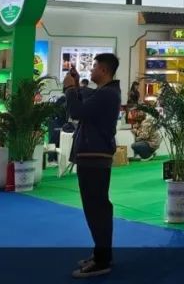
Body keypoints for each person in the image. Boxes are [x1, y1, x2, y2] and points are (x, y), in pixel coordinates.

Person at [63, 53, 122, 278]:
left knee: (96, 209)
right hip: (93, 156)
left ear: (104, 70)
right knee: (97, 208)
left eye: (95, 66)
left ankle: (101, 260)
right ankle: (102, 254)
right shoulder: (105, 93)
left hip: (94, 158)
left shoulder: (107, 94)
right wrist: (76, 86)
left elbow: (76, 112)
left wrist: (70, 89)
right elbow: (85, 106)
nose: (92, 70)